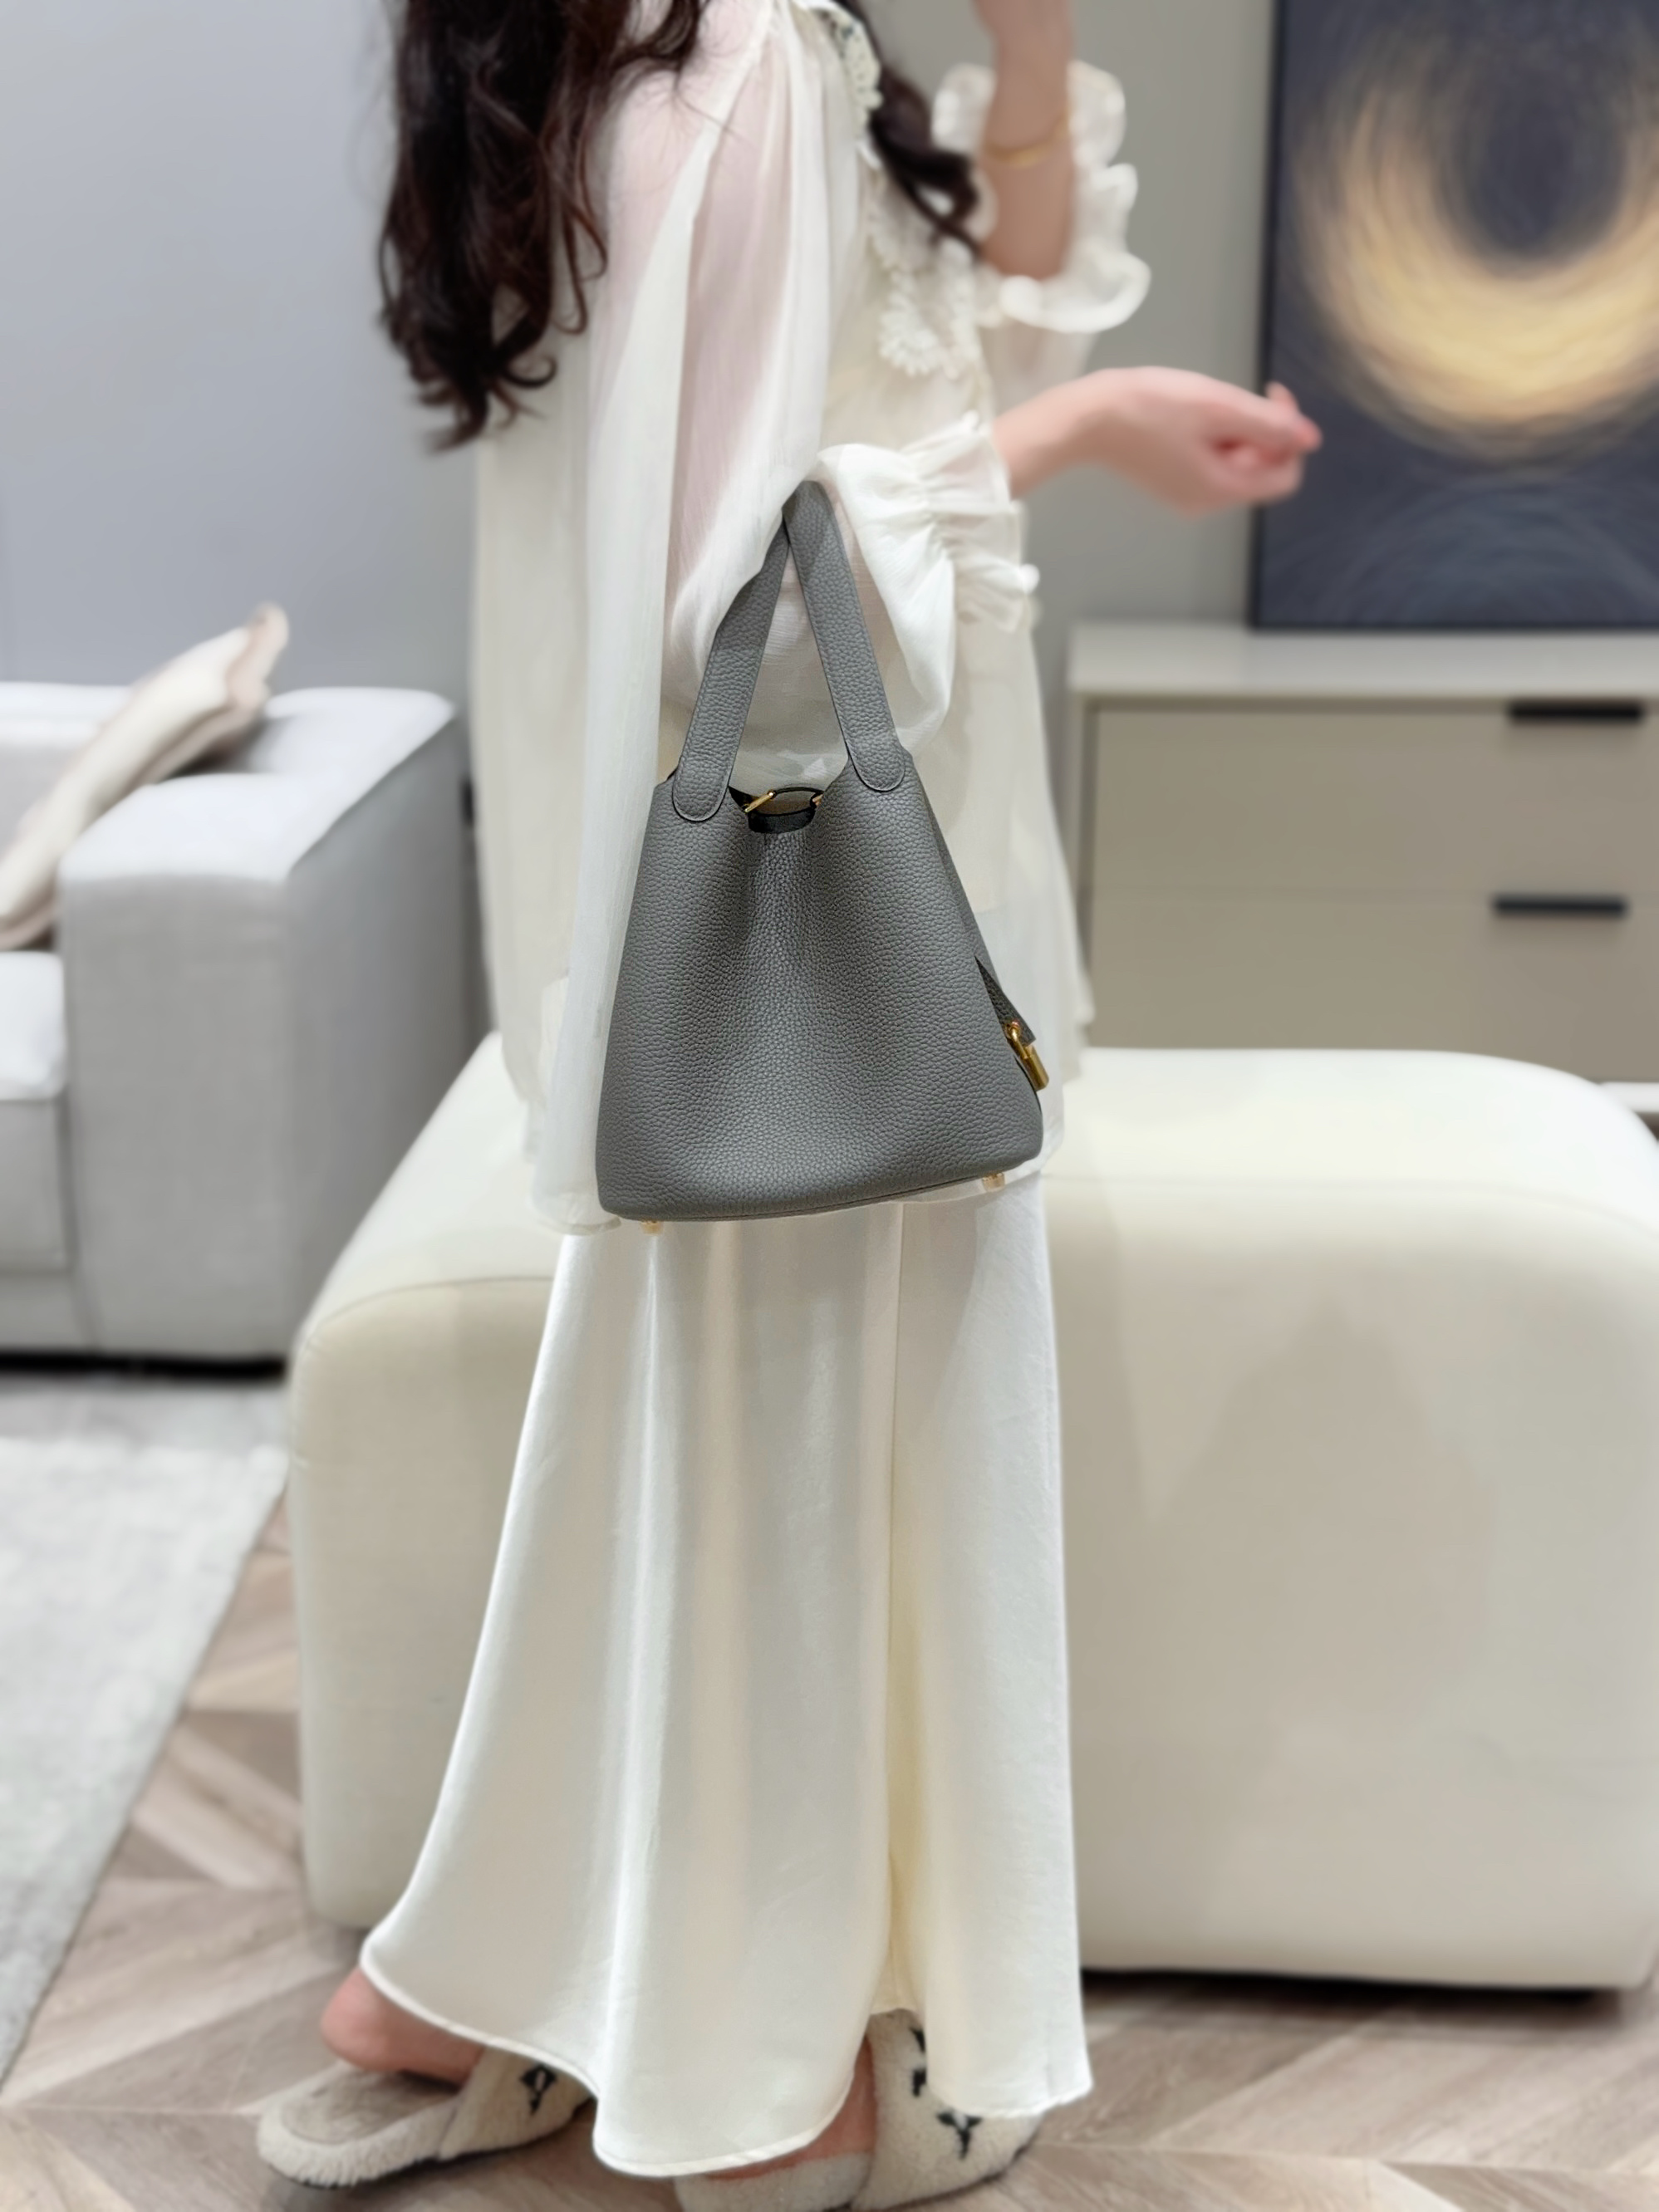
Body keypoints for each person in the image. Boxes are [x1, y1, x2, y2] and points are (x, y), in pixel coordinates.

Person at [259, 1, 1319, 2202]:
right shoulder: (741, 71)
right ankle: (763, 2077)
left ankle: (488, 1982)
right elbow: (729, 615)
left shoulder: (695, 55)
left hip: (808, 897)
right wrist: (1083, 431)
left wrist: (1033, 59)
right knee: (814, 1454)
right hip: (820, 913)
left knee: (724, 1434)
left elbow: (955, 348)